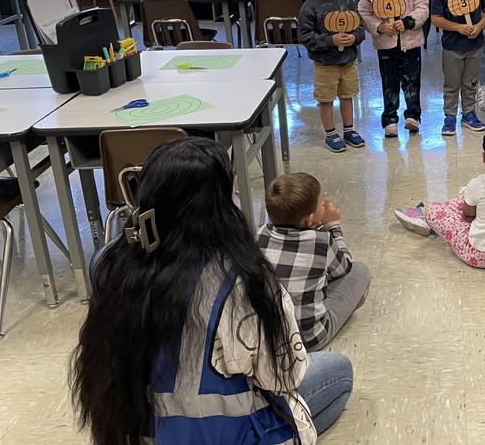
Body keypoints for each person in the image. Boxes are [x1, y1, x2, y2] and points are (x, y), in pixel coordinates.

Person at [70, 138, 352, 444]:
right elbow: (283, 376)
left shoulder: (108, 262)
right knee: (338, 371)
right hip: (221, 433)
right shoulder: (244, 279)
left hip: (136, 431)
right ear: (225, 198)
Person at [393, 125, 485, 269]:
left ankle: (424, 216)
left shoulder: (479, 183)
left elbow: (467, 217)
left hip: (481, 256)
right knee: (468, 197)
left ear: (484, 156)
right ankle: (457, 204)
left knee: (434, 209)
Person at [258, 172, 372, 351]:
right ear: (309, 219)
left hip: (273, 335)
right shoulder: (321, 240)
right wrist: (333, 225)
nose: (326, 203)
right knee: (360, 271)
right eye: (322, 202)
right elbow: (344, 269)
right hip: (309, 339)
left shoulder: (259, 234)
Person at [358, 0, 429, 137]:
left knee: (412, 80)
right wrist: (379, 27)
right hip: (386, 45)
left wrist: (408, 22)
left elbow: (423, 7)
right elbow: (364, 13)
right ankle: (390, 118)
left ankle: (413, 116)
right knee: (389, 82)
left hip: (410, 43)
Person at [298, 0, 366, 153]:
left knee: (348, 96)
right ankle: (330, 133)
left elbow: (360, 28)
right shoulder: (310, 7)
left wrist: (354, 37)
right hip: (325, 65)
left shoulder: (347, 1)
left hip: (348, 62)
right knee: (326, 99)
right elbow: (305, 37)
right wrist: (331, 40)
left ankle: (349, 130)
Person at [428, 0, 485, 136]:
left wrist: (479, 26)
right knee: (452, 83)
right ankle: (449, 117)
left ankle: (469, 114)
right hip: (452, 47)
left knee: (471, 82)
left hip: (475, 46)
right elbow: (436, 19)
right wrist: (458, 27)